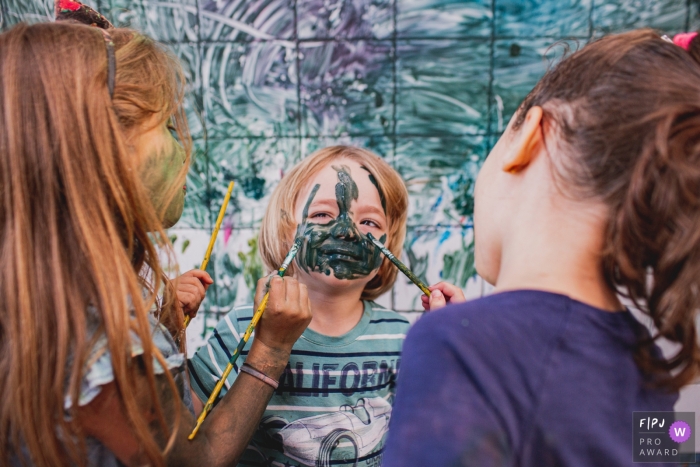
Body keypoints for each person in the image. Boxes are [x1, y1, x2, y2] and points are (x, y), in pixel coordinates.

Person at [0, 18, 311, 467]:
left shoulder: (44, 298)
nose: (184, 150)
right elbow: (200, 460)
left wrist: (158, 322)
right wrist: (272, 348)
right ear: (108, 146)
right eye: (166, 125)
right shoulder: (106, 342)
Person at [384, 30, 700, 466]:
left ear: (531, 133)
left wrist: (468, 344)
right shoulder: (649, 360)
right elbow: (664, 450)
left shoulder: (455, 347)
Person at [189, 146, 410, 467]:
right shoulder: (242, 327)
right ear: (284, 234)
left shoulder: (401, 337)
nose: (347, 231)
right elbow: (180, 429)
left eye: (370, 222)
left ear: (388, 245)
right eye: (322, 215)